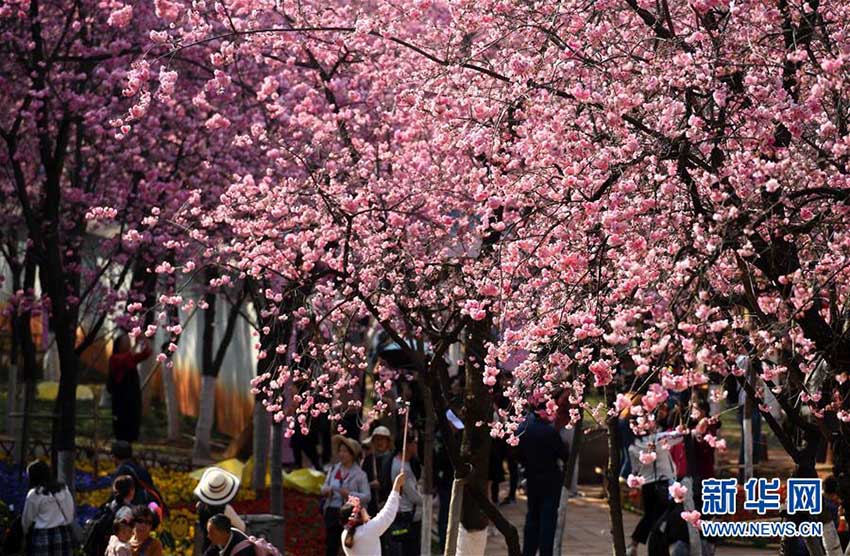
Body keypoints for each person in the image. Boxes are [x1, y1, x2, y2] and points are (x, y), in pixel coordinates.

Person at [627, 420, 685, 556]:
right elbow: (679, 436)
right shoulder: (660, 439)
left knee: (649, 516)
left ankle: (634, 545)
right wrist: (681, 428)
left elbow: (635, 469)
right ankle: (661, 545)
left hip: (647, 484)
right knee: (663, 517)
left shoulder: (633, 447)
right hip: (664, 483)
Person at [518, 407, 568, 556]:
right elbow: (564, 454)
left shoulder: (523, 427)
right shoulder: (549, 431)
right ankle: (546, 551)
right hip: (550, 478)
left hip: (532, 476)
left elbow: (517, 454)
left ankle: (529, 550)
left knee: (532, 515)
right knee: (548, 518)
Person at [321, 435, 371, 556]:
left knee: (349, 547)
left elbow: (367, 496)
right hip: (332, 510)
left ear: (352, 455)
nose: (342, 454)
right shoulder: (334, 469)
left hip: (350, 514)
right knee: (331, 545)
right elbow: (323, 487)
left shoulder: (360, 474)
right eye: (340, 451)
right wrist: (327, 491)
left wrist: (349, 495)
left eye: (345, 451)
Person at [340, 472, 406, 556]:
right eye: (361, 508)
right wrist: (397, 485)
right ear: (358, 516)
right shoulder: (368, 530)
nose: (364, 509)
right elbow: (388, 512)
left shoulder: (345, 534)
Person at [21, 460, 76, 556]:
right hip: (62, 534)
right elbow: (70, 514)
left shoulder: (34, 494)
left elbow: (27, 520)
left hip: (41, 536)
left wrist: (25, 533)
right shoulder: (63, 489)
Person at [108, 334, 152, 443]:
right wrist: (137, 344)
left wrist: (143, 340)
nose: (128, 343)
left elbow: (147, 353)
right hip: (121, 399)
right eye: (125, 341)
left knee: (133, 422)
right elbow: (126, 359)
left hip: (133, 397)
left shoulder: (131, 357)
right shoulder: (115, 359)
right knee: (123, 425)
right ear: (118, 345)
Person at [194, 467, 247, 553]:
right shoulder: (226, 509)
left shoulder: (199, 505)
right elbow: (242, 528)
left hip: (206, 548)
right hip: (221, 550)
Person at [387, 433, 422, 556]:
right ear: (407, 446)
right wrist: (427, 500)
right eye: (414, 443)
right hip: (407, 514)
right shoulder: (401, 468)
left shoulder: (404, 463)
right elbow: (413, 495)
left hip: (407, 513)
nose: (416, 445)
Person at [112, 441, 165, 509]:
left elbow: (117, 497)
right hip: (151, 507)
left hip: (135, 509)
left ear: (114, 457)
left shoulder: (122, 471)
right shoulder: (138, 466)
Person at [362, 425, 393, 516]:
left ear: (388, 442)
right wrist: (370, 485)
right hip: (372, 503)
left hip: (388, 502)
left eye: (382, 439)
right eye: (377, 439)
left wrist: (382, 485)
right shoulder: (368, 459)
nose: (380, 442)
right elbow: (362, 479)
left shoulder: (392, 459)